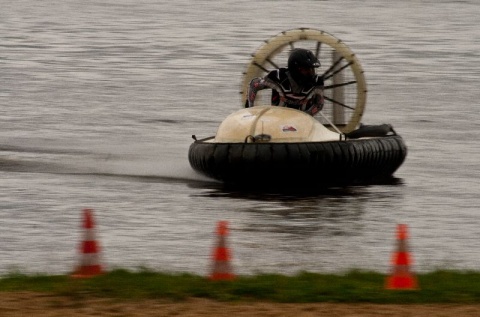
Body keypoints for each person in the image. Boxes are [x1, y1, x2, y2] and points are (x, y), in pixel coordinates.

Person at [246, 48, 324, 116]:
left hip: (301, 122)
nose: (311, 73)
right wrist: (250, 109)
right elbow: (254, 84)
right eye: (307, 70)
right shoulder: (278, 77)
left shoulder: (317, 83)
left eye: (312, 70)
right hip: (277, 120)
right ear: (296, 69)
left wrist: (307, 116)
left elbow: (319, 104)